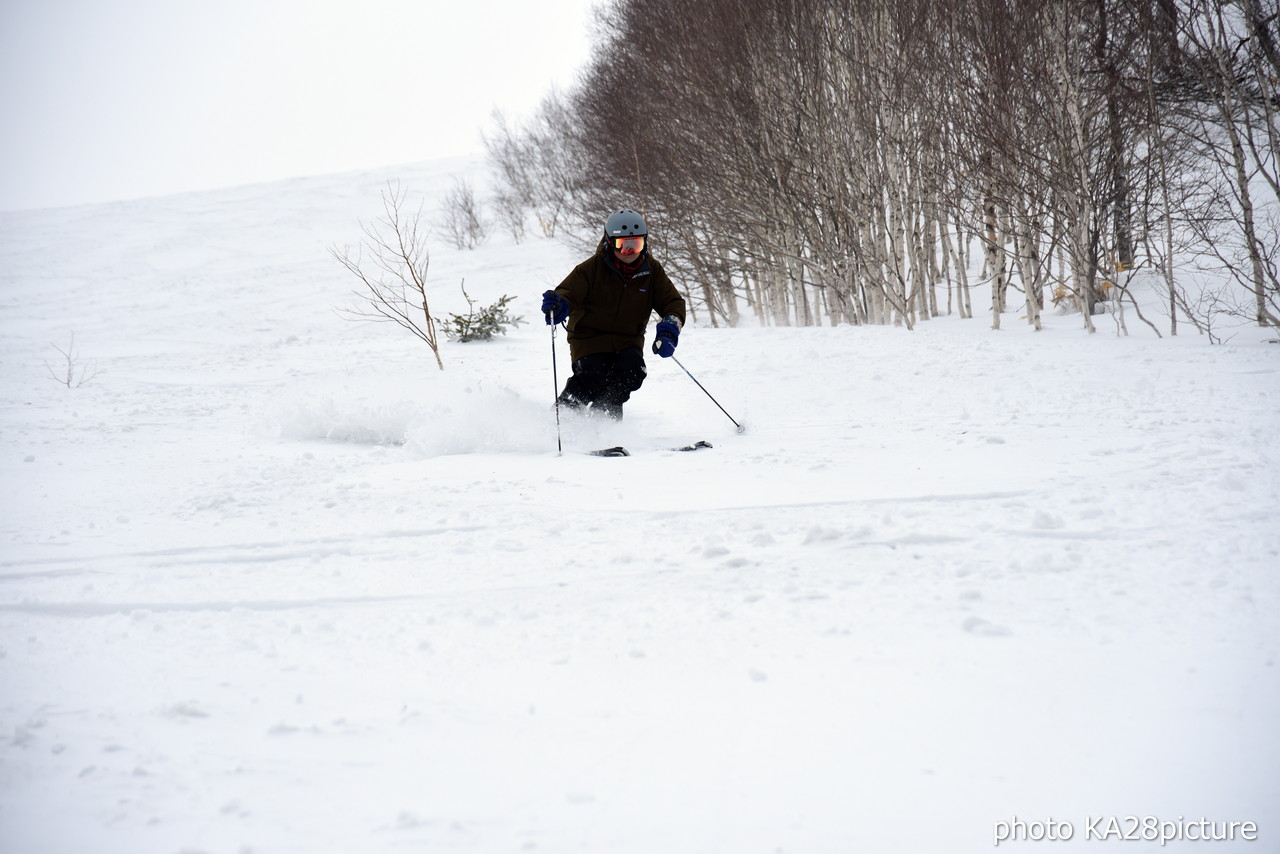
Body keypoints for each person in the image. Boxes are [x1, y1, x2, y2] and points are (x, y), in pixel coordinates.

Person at [541, 209, 686, 420]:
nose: (630, 252)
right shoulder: (591, 269)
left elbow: (672, 302)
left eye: (635, 245)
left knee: (632, 373)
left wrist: (670, 328)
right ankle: (561, 419)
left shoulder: (652, 271)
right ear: (609, 242)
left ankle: (605, 421)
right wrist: (559, 304)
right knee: (593, 374)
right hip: (589, 336)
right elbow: (568, 292)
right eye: (623, 246)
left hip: (628, 338)